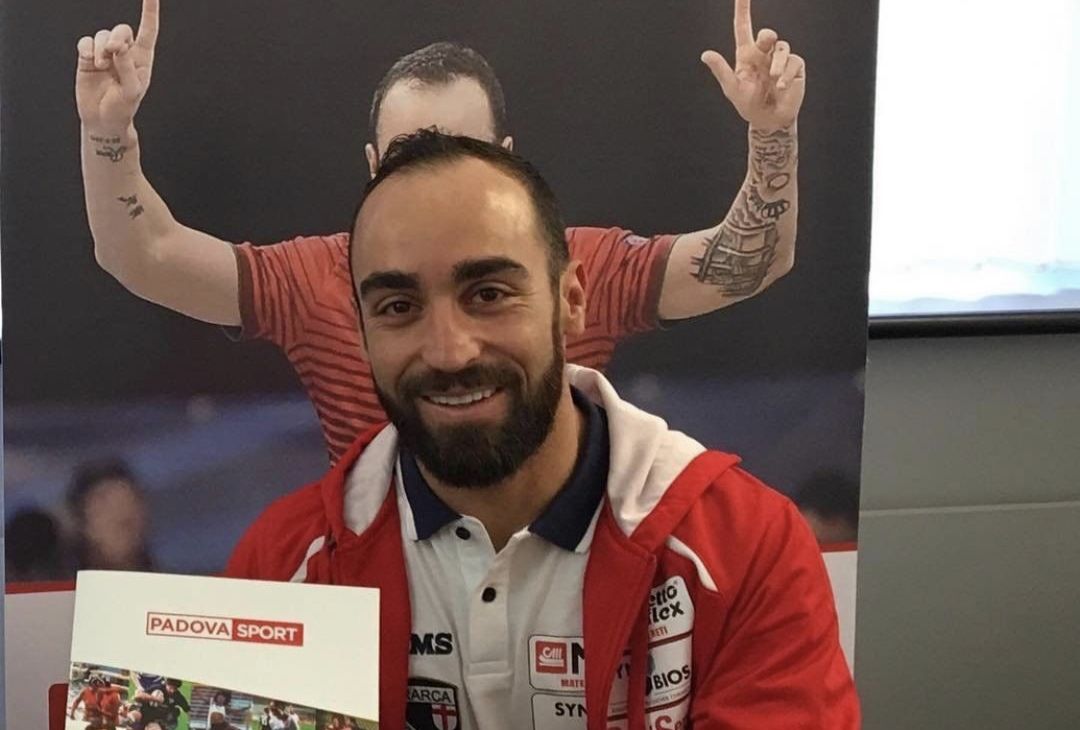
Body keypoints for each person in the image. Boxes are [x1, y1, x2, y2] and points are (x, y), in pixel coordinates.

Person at [225, 131, 857, 728]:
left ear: (571, 301)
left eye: (488, 294)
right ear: (361, 332)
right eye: (398, 307)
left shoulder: (746, 546)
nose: (449, 351)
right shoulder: (280, 565)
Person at [76, 0, 805, 463]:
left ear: (508, 157)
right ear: (372, 166)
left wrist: (772, 134)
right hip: (379, 606)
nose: (436, 181)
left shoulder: (577, 263)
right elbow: (145, 253)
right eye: (409, 156)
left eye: (463, 152)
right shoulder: (316, 278)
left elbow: (749, 262)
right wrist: (108, 133)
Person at [66, 458, 155, 573]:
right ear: (82, 523)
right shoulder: (58, 579)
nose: (119, 514)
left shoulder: (167, 581)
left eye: (128, 503)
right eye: (105, 507)